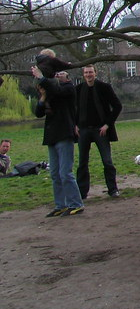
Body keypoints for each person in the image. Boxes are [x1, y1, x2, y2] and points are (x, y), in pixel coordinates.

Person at [32, 68, 84, 217]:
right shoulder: (52, 93)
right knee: (55, 173)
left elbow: (56, 90)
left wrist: (41, 77)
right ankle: (60, 205)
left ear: (68, 77)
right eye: (56, 73)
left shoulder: (68, 89)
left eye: (61, 73)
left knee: (65, 172)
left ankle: (76, 204)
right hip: (52, 136)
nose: (57, 75)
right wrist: (42, 96)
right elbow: (38, 113)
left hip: (64, 134)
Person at [75, 64, 123, 199]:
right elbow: (72, 109)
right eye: (86, 73)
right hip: (83, 130)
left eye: (91, 72)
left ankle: (113, 189)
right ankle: (82, 192)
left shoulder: (104, 88)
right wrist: (75, 124)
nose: (88, 75)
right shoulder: (78, 89)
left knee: (107, 161)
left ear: (95, 73)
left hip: (100, 130)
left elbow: (117, 106)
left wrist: (107, 124)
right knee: (82, 162)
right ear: (83, 75)